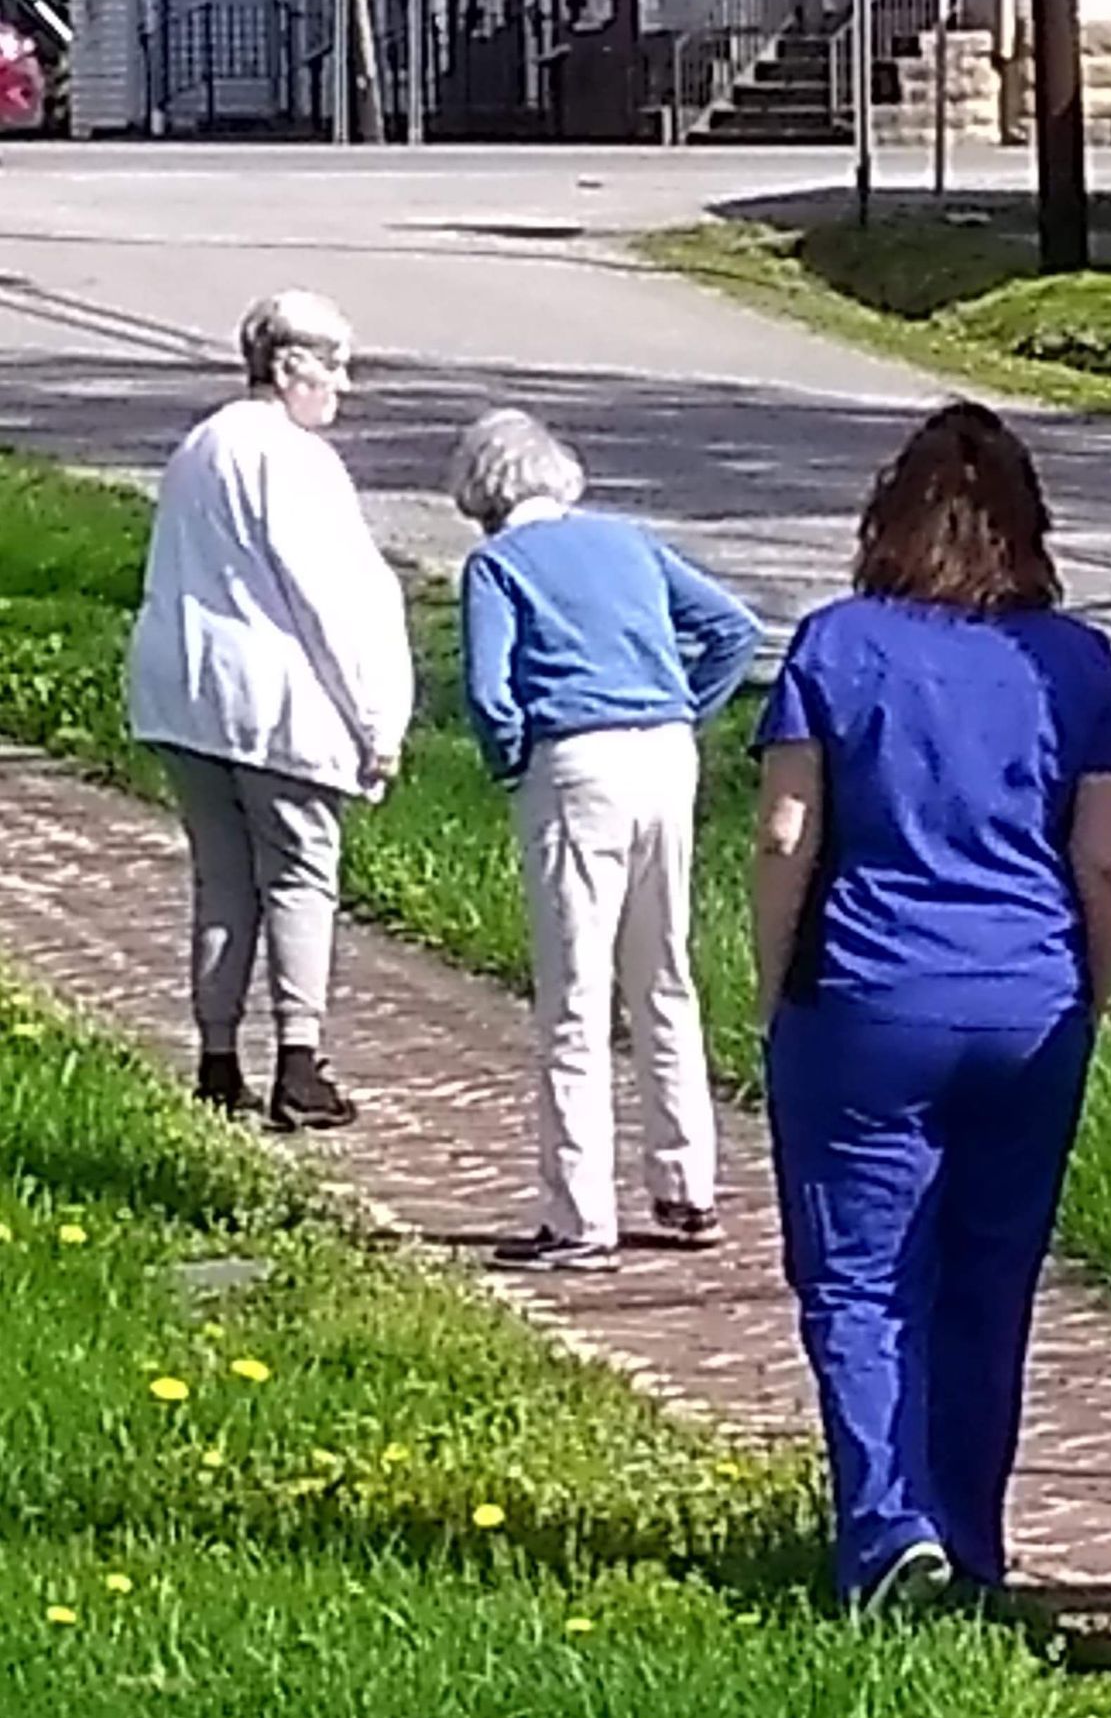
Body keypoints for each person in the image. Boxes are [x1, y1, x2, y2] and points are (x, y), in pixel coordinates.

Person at [753, 400, 1111, 1614]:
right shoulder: (1075, 662)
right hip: (1030, 999)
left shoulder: (837, 645)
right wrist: (1094, 986)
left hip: (868, 992)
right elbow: (1103, 859)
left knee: (861, 1278)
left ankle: (889, 1528)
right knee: (991, 1277)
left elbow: (785, 831)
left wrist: (773, 983)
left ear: (890, 517)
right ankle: (973, 1538)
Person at [454, 408, 762, 1274]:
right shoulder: (628, 541)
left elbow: (489, 690)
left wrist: (511, 761)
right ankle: (688, 1185)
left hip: (576, 763)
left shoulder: (498, 564)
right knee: (664, 976)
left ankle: (578, 1216)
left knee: (576, 994)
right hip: (666, 754)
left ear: (481, 493)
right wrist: (684, 708)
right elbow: (733, 630)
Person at [128, 289, 414, 1131]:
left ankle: (218, 1059)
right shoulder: (294, 459)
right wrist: (376, 722)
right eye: (335, 366)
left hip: (186, 695)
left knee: (221, 878)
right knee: (298, 875)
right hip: (276, 703)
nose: (344, 385)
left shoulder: (199, 446)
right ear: (290, 368)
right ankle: (299, 1059)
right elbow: (332, 599)